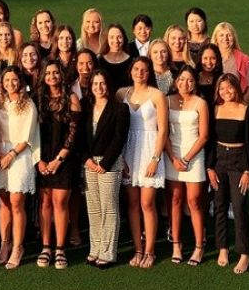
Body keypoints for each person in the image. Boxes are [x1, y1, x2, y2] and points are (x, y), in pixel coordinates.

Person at [209, 73, 249, 275]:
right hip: (219, 159)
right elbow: (211, 141)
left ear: (237, 88)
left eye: (229, 88)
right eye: (222, 89)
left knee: (238, 207)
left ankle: (244, 253)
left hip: (239, 162)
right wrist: (210, 167)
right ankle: (222, 248)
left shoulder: (248, 112)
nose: (226, 92)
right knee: (219, 205)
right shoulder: (216, 109)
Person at [122, 57, 169, 269]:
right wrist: (121, 157)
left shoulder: (158, 96)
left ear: (149, 73)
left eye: (144, 69)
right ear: (131, 71)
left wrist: (155, 159)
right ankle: (138, 248)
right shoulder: (121, 94)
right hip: (128, 150)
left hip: (150, 149)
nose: (140, 72)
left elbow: (163, 130)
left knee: (147, 203)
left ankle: (150, 250)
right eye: (136, 69)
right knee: (132, 204)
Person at [81, 70, 129, 268]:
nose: (99, 88)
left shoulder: (119, 109)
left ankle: (108, 253)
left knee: (109, 208)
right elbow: (80, 137)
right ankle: (95, 248)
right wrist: (87, 160)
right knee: (93, 208)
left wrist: (105, 163)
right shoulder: (86, 107)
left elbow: (119, 138)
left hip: (109, 163)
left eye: (102, 83)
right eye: (95, 84)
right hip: (89, 163)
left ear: (108, 85)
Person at [0, 68, 39, 270]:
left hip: (19, 154)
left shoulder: (28, 104)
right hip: (0, 154)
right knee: (3, 200)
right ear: (2, 83)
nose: (10, 83)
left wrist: (11, 154)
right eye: (7, 80)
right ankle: (5, 242)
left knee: (16, 201)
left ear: (20, 82)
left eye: (14, 80)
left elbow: (28, 136)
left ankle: (18, 247)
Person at [34, 61, 79, 270]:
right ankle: (46, 246)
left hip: (64, 159)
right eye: (48, 73)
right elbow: (31, 133)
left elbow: (73, 133)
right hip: (42, 158)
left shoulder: (71, 99)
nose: (52, 76)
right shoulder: (38, 100)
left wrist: (59, 159)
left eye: (55, 73)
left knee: (60, 202)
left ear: (61, 75)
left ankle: (60, 248)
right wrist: (39, 160)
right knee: (45, 203)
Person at [165, 67, 210, 266]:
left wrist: (187, 159)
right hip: (172, 154)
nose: (186, 84)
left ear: (195, 83)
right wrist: (174, 157)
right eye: (182, 79)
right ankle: (176, 244)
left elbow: (204, 136)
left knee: (194, 201)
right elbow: (163, 132)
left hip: (194, 155)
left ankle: (199, 246)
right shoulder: (167, 101)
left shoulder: (201, 103)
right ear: (176, 81)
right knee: (174, 199)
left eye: (190, 80)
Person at [212, 22, 249, 103]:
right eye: (221, 35)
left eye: (229, 35)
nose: (225, 39)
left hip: (236, 104)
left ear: (234, 38)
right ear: (216, 38)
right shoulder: (208, 58)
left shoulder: (244, 60)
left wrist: (241, 106)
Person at [99, 23, 133, 93]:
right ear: (107, 39)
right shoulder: (100, 61)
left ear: (124, 38)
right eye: (112, 37)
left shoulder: (132, 61)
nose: (116, 41)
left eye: (119, 37)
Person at [193, 43, 223, 108]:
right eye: (205, 58)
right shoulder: (193, 77)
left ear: (218, 60)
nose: (209, 62)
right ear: (200, 59)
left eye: (213, 58)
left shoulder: (222, 78)